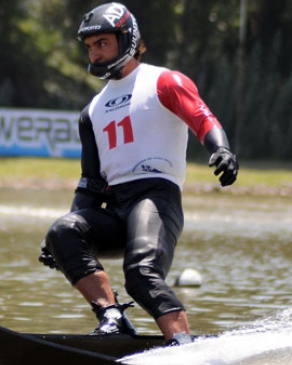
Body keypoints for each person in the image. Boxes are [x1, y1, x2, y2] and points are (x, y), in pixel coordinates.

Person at [39, 2, 239, 346]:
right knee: (62, 231)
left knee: (141, 274)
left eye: (102, 43)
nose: (95, 53)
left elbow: (202, 119)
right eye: (90, 47)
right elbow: (91, 182)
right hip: (115, 207)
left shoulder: (164, 81)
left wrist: (220, 149)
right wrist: (60, 242)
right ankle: (112, 317)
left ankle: (184, 348)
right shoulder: (92, 110)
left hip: (156, 200)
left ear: (127, 39)